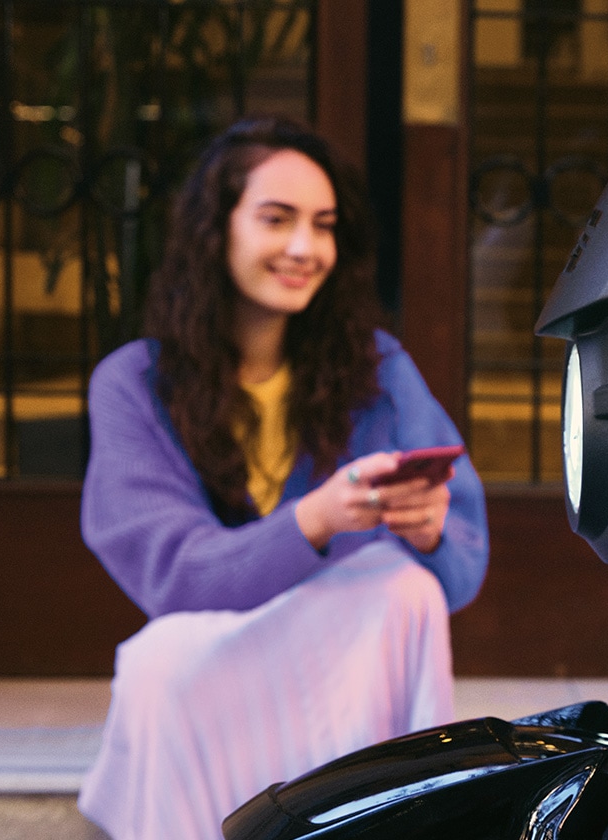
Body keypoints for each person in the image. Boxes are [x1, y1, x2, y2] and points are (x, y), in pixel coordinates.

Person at [76, 115, 489, 840]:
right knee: (155, 662)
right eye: (277, 219)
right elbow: (173, 576)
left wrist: (429, 531)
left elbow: (461, 559)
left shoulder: (377, 368)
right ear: (217, 230)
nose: (305, 248)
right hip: (217, 661)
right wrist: (318, 519)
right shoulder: (134, 383)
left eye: (323, 225)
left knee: (408, 588)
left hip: (343, 654)